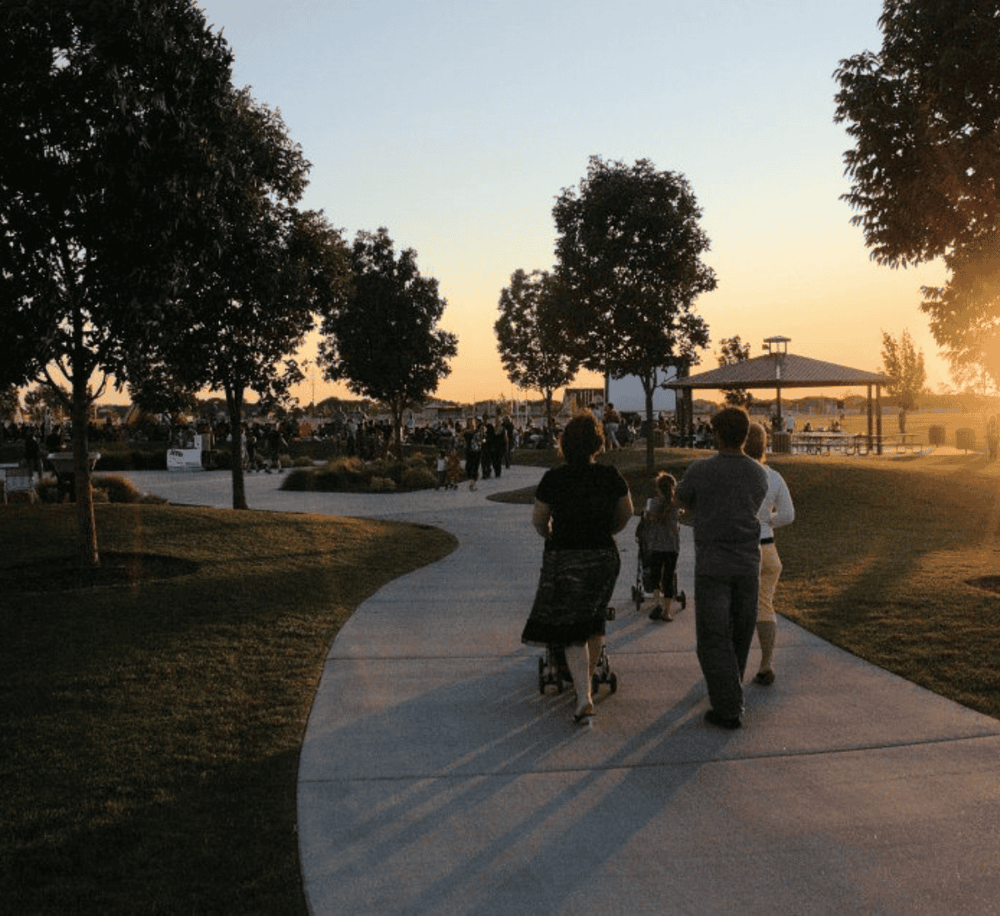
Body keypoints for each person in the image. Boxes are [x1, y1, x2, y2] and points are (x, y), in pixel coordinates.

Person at [521, 412, 633, 725]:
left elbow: (539, 521)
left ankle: (583, 696)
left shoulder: (554, 478)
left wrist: (551, 536)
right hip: (602, 555)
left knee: (573, 627)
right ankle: (587, 684)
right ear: (598, 443)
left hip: (566, 555)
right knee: (594, 620)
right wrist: (609, 529)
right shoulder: (611, 475)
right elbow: (627, 512)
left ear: (565, 443)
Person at [676, 406, 767, 730]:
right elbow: (753, 504)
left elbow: (682, 498)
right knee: (739, 634)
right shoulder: (758, 473)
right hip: (747, 565)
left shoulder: (701, 470)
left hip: (713, 564)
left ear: (716, 433)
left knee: (714, 638)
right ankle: (730, 692)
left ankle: (728, 707)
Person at [743, 422, 795, 685]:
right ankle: (766, 663)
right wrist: (767, 520)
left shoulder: (736, 476)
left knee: (736, 608)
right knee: (765, 606)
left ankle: (733, 663)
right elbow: (788, 515)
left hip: (742, 551)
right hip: (768, 548)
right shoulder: (773, 476)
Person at [635, 472, 681, 621]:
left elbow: (648, 520)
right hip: (672, 546)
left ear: (659, 488)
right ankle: (667, 612)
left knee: (656, 576)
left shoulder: (653, 503)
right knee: (668, 576)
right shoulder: (676, 504)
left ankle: (657, 605)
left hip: (655, 545)